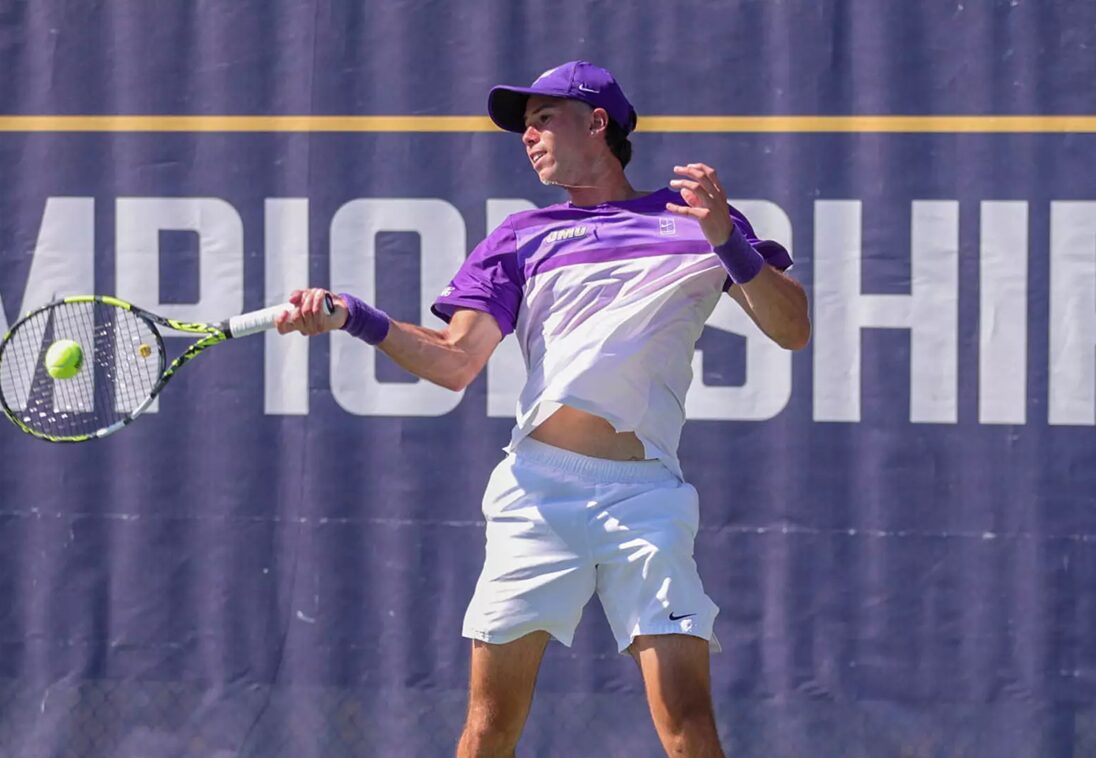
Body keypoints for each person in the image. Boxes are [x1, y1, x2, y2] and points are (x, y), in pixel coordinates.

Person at [277, 60, 809, 758]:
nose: (527, 137)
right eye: (523, 127)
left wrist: (726, 241)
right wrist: (355, 316)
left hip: (646, 499)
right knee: (490, 728)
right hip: (537, 494)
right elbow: (453, 362)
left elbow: (792, 328)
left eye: (542, 120)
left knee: (688, 724)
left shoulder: (698, 224)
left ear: (597, 123)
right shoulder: (522, 237)